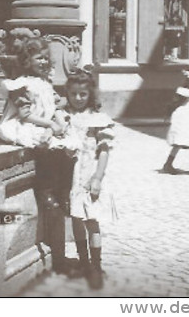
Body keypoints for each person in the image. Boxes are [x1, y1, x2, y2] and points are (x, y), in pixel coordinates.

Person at [0, 32, 77, 274]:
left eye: (45, 58)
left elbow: (51, 107)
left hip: (45, 126)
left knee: (64, 186)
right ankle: (59, 258)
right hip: (29, 126)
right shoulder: (20, 84)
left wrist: (59, 116)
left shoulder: (45, 83)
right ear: (26, 61)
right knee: (48, 192)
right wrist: (51, 125)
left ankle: (60, 245)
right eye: (37, 59)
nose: (43, 62)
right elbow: (25, 115)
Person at [64, 67, 116, 289]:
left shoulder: (97, 119)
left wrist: (97, 177)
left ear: (90, 95)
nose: (78, 98)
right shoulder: (66, 116)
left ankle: (96, 265)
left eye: (82, 94)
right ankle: (83, 261)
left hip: (90, 176)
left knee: (92, 221)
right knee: (76, 219)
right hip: (72, 178)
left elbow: (104, 151)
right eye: (73, 93)